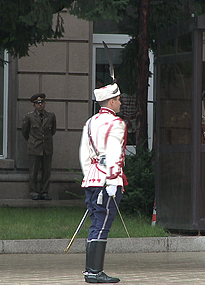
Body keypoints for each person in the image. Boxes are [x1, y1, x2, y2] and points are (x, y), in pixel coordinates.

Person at [79, 82, 128, 283]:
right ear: (111, 101)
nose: (120, 103)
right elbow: (113, 154)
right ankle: (94, 272)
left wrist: (90, 175)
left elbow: (84, 154)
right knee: (101, 225)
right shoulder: (116, 123)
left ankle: (92, 270)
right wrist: (113, 180)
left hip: (91, 178)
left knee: (96, 224)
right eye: (118, 100)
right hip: (107, 181)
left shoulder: (90, 122)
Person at [21, 93, 56, 200]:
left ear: (45, 103)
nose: (40, 105)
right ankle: (34, 192)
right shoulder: (29, 117)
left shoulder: (50, 116)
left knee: (46, 172)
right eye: (37, 103)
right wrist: (33, 141)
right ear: (34, 105)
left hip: (47, 147)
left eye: (42, 103)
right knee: (34, 172)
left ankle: (44, 192)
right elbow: (25, 132)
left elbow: (53, 130)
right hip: (34, 147)